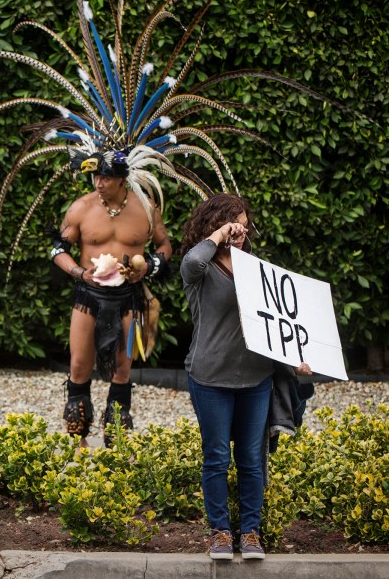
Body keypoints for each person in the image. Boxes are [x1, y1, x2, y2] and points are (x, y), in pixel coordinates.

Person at [180, 193, 312, 560]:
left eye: (243, 223)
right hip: (210, 378)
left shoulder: (258, 270)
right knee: (217, 457)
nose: (240, 229)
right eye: (231, 223)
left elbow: (281, 323)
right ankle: (220, 533)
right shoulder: (200, 269)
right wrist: (221, 235)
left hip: (256, 380)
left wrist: (297, 361)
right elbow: (191, 258)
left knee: (252, 460)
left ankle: (250, 533)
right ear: (215, 225)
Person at [51, 149, 172, 448]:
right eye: (95, 177)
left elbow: (164, 245)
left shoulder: (145, 208)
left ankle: (116, 438)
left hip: (129, 296)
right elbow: (57, 250)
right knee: (79, 364)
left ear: (121, 180)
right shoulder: (81, 208)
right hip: (89, 295)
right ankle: (78, 441)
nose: (98, 183)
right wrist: (80, 273)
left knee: (123, 367)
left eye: (105, 178)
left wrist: (148, 269)